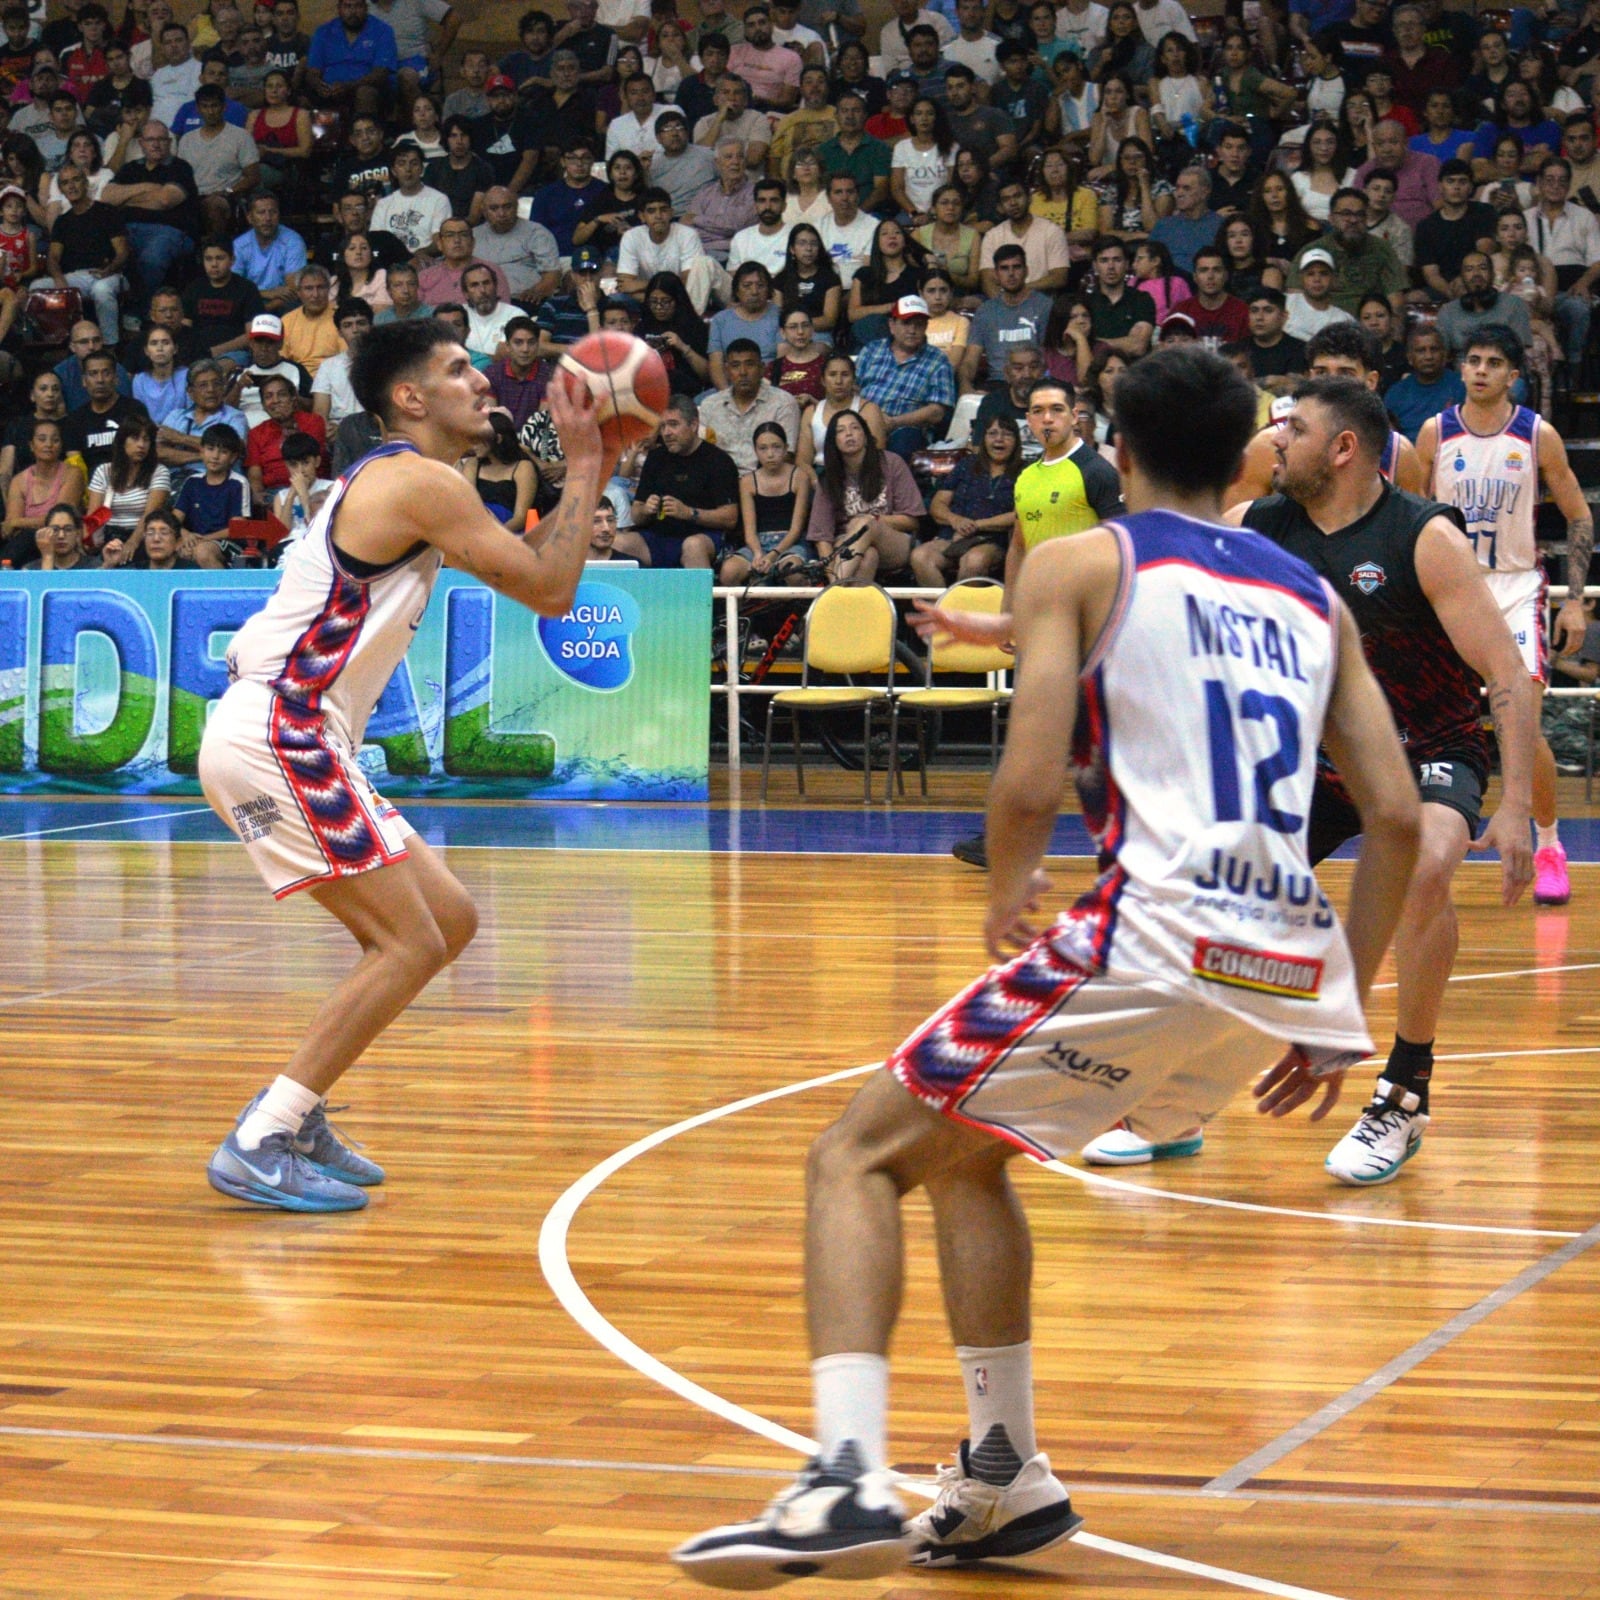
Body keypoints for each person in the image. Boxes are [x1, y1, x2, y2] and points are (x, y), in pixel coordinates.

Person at [671, 348, 1423, 1588]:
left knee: (852, 1155)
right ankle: (1005, 1474)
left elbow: (1025, 778)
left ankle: (843, 1478)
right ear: (1244, 456)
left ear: (1112, 452)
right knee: (973, 1156)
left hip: (1152, 931)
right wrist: (1339, 1005)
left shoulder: (1086, 555)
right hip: (1274, 966)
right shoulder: (1312, 598)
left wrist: (1011, 878)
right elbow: (1392, 819)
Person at [199, 320, 619, 1211]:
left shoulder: (417, 480)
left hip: (295, 732)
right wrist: (586, 464)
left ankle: (298, 1112)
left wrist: (592, 468)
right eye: (460, 368)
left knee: (448, 920)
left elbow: (537, 569)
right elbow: (552, 591)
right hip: (283, 729)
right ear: (410, 399)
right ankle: (264, 1134)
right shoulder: (418, 480)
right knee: (410, 939)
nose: (481, 381)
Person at [1086, 372, 1537, 1182]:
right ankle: (1171, 1105)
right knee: (1208, 887)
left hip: (1429, 748)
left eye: (1290, 429)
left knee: (1428, 864)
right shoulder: (1263, 522)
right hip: (1318, 760)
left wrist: (1518, 806)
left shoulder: (1422, 535)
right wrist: (1042, 620)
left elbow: (1505, 671)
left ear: (1343, 448)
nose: (1274, 442)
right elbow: (1151, 555)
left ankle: (1403, 1094)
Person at [1416, 324, 1593, 908]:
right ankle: (1419, 834)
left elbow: (1578, 515)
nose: (1482, 370)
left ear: (1514, 375)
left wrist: (1572, 598)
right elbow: (1407, 511)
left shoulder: (1537, 435)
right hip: (1449, 586)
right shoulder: (1435, 432)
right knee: (1427, 720)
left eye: (1494, 362)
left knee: (1522, 725)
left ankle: (1547, 844)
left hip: (1515, 586)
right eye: (1473, 360)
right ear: (1462, 369)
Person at [1229, 323, 1427, 505]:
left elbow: (1414, 534)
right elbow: (1230, 536)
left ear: (1371, 381)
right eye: (1321, 372)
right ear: (1308, 377)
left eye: (1345, 374)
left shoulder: (1398, 454)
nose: (1330, 383)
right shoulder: (1268, 447)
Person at [806, 406, 924, 583]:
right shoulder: (829, 478)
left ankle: (833, 590)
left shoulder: (892, 463)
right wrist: (829, 570)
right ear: (833, 441)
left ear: (866, 435)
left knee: (863, 523)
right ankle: (847, 598)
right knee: (868, 556)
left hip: (893, 542)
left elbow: (911, 520)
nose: (849, 434)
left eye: (855, 428)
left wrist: (872, 521)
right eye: (841, 430)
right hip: (847, 547)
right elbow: (821, 536)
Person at [911, 411, 1020, 587]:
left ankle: (962, 612)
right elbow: (938, 505)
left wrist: (975, 526)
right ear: (983, 439)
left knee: (974, 561)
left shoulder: (1025, 471)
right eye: (992, 433)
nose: (999, 439)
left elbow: (1018, 515)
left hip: (993, 540)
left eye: (1007, 434)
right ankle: (942, 611)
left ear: (1016, 442)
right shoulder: (967, 465)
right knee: (920, 556)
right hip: (953, 535)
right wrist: (955, 520)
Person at [631, 394, 741, 568]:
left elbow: (730, 518)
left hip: (703, 537)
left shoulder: (718, 460)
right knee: (616, 543)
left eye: (673, 425)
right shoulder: (656, 458)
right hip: (658, 537)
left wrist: (689, 513)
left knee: (692, 545)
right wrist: (645, 510)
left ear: (694, 425)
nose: (666, 433)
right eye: (663, 426)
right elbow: (636, 515)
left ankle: (701, 597)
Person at [35, 160, 126, 346]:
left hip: (108, 274)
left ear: (85, 183)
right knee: (37, 287)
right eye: (66, 182)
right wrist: (59, 279)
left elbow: (123, 251)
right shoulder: (62, 222)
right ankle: (57, 342)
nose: (72, 186)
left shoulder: (107, 211)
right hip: (75, 277)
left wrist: (109, 270)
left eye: (76, 180)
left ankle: (110, 346)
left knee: (102, 290)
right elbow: (53, 257)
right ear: (61, 189)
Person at [855, 293, 957, 457]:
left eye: (919, 324)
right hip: (863, 420)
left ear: (925, 327)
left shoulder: (938, 360)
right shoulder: (871, 350)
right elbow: (853, 390)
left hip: (906, 429)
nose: (912, 330)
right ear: (892, 325)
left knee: (904, 441)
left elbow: (937, 412)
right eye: (906, 323)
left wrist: (894, 422)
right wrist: (872, 416)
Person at [719, 418, 815, 583]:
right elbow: (750, 530)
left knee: (791, 571)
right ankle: (741, 609)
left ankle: (799, 609)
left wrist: (773, 555)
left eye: (776, 447)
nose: (770, 454)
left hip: (790, 543)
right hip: (758, 543)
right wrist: (757, 554)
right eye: (763, 448)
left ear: (786, 449)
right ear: (755, 451)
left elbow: (796, 529)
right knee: (729, 571)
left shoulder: (799, 477)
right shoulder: (748, 481)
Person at [1384, 322, 1465, 440]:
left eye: (1434, 349)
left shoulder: (1461, 386)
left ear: (1444, 354)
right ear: (1410, 358)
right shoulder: (1395, 394)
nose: (1428, 356)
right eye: (1421, 351)